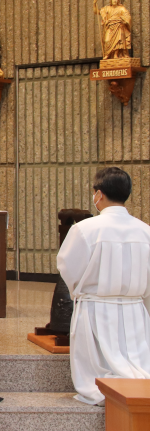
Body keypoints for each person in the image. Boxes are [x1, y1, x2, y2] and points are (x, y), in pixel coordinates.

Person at [57, 167, 150, 405]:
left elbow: (68, 268)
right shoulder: (145, 231)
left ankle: (103, 389)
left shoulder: (85, 229)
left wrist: (81, 292)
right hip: (134, 310)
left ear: (99, 194)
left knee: (97, 373)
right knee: (137, 365)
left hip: (95, 308)